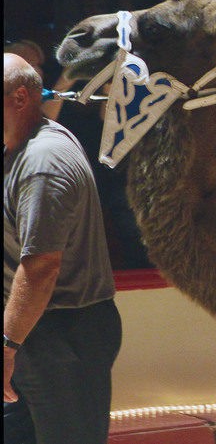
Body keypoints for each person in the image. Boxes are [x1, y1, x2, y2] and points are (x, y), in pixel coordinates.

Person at [3, 53, 122, 443]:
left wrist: (7, 347)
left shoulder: (43, 161)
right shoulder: (19, 144)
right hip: (31, 332)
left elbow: (40, 269)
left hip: (60, 337)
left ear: (20, 98)